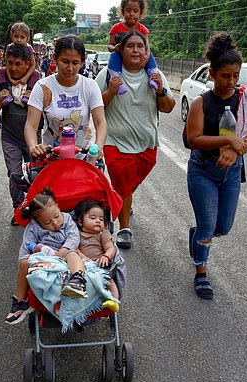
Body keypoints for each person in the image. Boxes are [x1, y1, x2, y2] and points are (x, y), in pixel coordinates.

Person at [185, 32, 247, 300]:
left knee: (223, 227)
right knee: (207, 226)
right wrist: (228, 143)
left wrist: (238, 147)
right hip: (203, 170)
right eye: (226, 76)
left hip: (231, 173)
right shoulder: (200, 103)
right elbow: (192, 139)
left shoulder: (246, 99)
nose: (231, 82)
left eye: (236, 76)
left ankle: (198, 236)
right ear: (213, 74)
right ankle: (201, 273)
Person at [95, 30, 175, 249]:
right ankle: (124, 229)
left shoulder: (155, 74)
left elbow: (168, 107)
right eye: (131, 46)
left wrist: (160, 91)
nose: (136, 50)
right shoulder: (108, 74)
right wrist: (111, 92)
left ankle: (115, 202)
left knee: (127, 187)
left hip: (147, 143)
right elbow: (95, 105)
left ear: (147, 51)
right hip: (115, 142)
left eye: (141, 46)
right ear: (121, 49)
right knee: (123, 183)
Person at [5, 187, 88, 324]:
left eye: (56, 216)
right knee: (23, 263)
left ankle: (77, 280)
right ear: (38, 221)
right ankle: (21, 300)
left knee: (73, 253)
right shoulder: (33, 227)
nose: (55, 223)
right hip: (44, 258)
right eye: (47, 223)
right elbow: (26, 246)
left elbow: (74, 236)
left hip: (65, 252)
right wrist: (27, 260)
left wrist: (64, 249)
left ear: (58, 207)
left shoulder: (66, 219)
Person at [25, 35, 106, 160]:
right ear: (55, 59)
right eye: (65, 61)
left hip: (83, 158)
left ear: (82, 63)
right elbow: (31, 124)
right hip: (51, 158)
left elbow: (100, 122)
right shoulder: (42, 87)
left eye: (75, 63)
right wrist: (33, 146)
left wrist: (98, 146)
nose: (70, 68)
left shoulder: (90, 86)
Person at [0, 44, 40, 226]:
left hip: (33, 140)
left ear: (27, 65)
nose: (13, 68)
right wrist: (1, 100)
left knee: (36, 175)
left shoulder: (37, 84)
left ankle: (37, 208)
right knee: (15, 174)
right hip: (10, 139)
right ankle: (19, 209)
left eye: (18, 64)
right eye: (9, 63)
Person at [73, 200, 120, 312]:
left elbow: (110, 247)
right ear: (80, 222)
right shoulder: (76, 234)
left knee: (109, 280)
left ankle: (114, 301)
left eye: (101, 219)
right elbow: (74, 248)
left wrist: (106, 256)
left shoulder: (102, 233)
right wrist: (83, 257)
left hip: (100, 263)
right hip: (82, 264)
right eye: (93, 218)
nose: (98, 221)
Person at [107, 0, 159, 95]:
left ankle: (153, 77)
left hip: (138, 59)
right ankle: (117, 80)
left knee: (150, 54)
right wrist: (115, 48)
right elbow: (110, 45)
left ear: (140, 13)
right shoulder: (116, 28)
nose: (131, 14)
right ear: (122, 12)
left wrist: (146, 58)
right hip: (120, 57)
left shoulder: (143, 30)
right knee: (114, 55)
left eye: (135, 11)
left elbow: (147, 47)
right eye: (128, 10)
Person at [4, 22, 39, 105]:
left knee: (36, 73)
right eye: (16, 36)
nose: (18, 40)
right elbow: (7, 64)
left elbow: (33, 65)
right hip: (11, 74)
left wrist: (26, 78)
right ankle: (6, 94)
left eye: (22, 37)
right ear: (11, 36)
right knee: (0, 71)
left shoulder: (29, 48)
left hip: (26, 73)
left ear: (27, 38)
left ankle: (27, 94)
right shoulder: (9, 47)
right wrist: (10, 78)